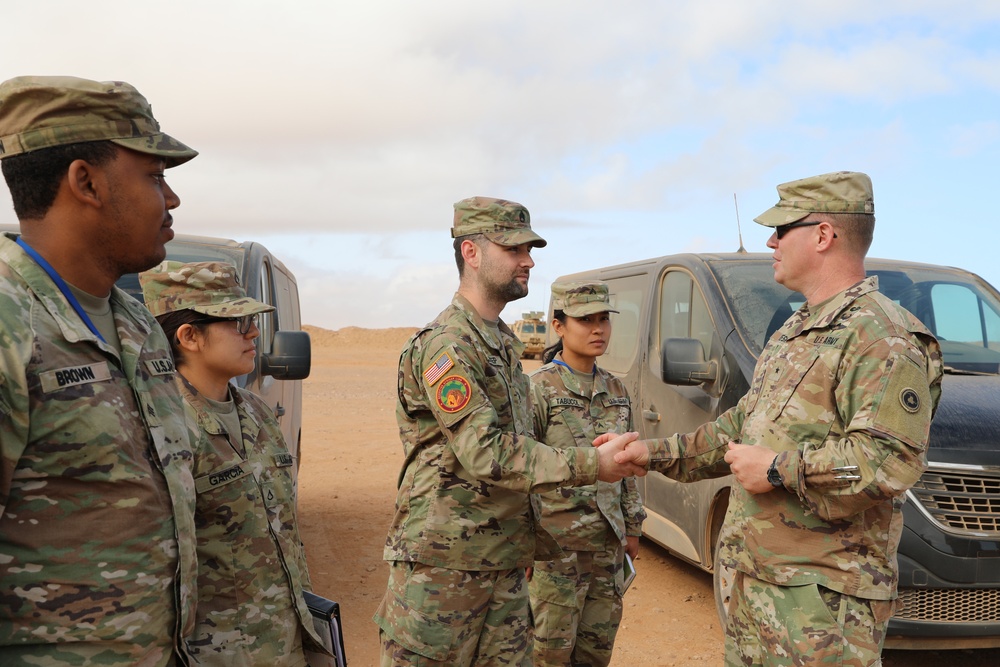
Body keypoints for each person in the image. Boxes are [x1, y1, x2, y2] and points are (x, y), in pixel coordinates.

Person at [608, 171, 944, 666]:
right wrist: (651, 453)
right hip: (758, 583)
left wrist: (777, 469)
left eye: (782, 228)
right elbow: (739, 427)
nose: (771, 240)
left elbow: (888, 463)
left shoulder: (883, 336)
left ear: (824, 235)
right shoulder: (795, 330)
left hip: (824, 601)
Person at [373, 196, 644, 667]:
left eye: (530, 249)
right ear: (471, 252)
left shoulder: (501, 344)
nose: (528, 260)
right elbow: (485, 452)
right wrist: (591, 465)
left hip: (503, 559)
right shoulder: (447, 345)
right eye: (514, 249)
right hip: (446, 565)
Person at [0, 76, 199, 664]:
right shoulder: (10, 326)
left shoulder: (134, 322)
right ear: (85, 181)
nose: (172, 200)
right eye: (155, 176)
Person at [139, 261, 329, 665]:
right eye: (239, 322)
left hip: (285, 641)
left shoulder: (257, 413)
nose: (255, 333)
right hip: (218, 654)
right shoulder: (160, 428)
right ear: (189, 336)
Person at [527, 280, 646, 666]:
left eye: (603, 319)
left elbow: (626, 468)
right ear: (559, 326)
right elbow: (522, 468)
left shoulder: (615, 388)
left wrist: (632, 527)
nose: (598, 329)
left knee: (596, 653)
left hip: (606, 548)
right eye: (585, 320)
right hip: (554, 550)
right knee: (548, 654)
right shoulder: (538, 389)